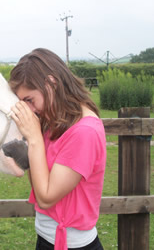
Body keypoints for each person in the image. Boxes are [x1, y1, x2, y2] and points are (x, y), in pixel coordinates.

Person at [9, 48, 106, 250]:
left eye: (29, 100)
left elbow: (45, 197)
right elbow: (39, 180)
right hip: (47, 239)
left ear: (51, 84)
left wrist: (34, 139)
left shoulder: (84, 132)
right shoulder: (56, 123)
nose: (30, 110)